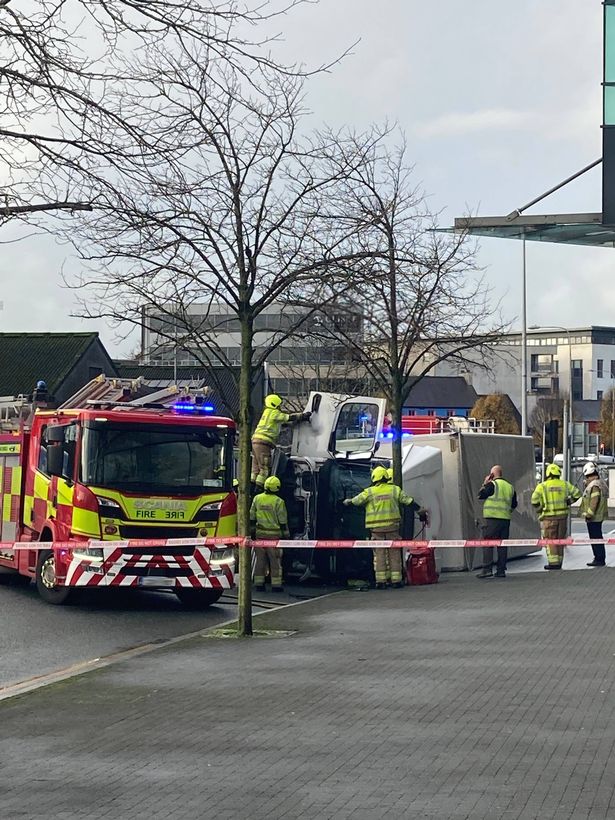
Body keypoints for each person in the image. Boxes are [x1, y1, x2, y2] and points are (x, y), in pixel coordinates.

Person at [343, 465, 427, 589]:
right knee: (394, 554)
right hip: (392, 527)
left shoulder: (370, 492)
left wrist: (347, 501)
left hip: (376, 529)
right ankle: (396, 581)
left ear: (374, 478)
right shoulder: (394, 490)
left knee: (380, 555)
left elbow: (356, 501)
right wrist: (420, 511)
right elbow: (408, 501)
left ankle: (381, 581)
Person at [251, 394, 311, 491]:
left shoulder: (266, 413)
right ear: (275, 404)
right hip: (264, 443)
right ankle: (259, 489)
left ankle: (251, 487)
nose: (280, 407)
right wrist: (302, 416)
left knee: (256, 468)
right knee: (264, 468)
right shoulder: (273, 413)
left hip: (255, 442)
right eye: (279, 405)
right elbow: (287, 417)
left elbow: (280, 425)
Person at [531, 463, 581, 570]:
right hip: (562, 518)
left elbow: (534, 500)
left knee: (550, 541)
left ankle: (553, 563)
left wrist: (540, 508)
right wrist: (568, 502)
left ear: (548, 473)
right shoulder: (565, 484)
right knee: (560, 541)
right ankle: (559, 563)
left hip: (548, 518)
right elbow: (577, 494)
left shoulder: (542, 486)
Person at [476, 465, 517, 580]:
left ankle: (487, 569)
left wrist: (485, 483)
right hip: (505, 520)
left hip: (492, 519)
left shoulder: (492, 484)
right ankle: (501, 570)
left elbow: (480, 495)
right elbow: (514, 504)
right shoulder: (510, 487)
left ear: (492, 475)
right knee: (502, 545)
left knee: (488, 543)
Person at [250, 475, 289, 592]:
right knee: (275, 561)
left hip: (259, 535)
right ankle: (276, 585)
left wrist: (252, 532)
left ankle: (259, 584)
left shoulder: (257, 498)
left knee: (260, 561)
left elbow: (251, 516)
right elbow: (282, 519)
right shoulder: (279, 501)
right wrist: (286, 533)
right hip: (274, 537)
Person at [580, 461, 609, 567]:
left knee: (596, 538)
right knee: (597, 537)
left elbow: (594, 501)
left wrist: (589, 514)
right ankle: (599, 557)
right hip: (597, 516)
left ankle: (599, 559)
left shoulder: (594, 485)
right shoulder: (598, 483)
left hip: (594, 517)